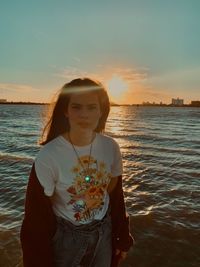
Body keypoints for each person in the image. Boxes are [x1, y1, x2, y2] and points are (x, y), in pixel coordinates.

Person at [20, 78, 134, 267]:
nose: (84, 114)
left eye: (91, 107)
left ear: (101, 110)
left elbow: (115, 194)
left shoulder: (111, 147)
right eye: (76, 107)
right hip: (66, 238)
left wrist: (122, 236)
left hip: (104, 233)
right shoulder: (49, 156)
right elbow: (36, 216)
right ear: (66, 110)